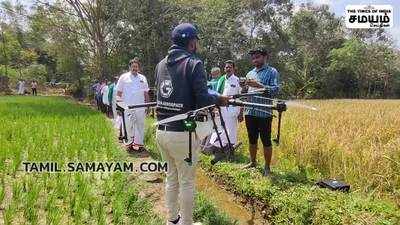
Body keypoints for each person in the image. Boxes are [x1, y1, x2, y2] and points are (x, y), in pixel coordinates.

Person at [155, 23, 229, 225]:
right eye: (196, 40)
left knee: (171, 177)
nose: (196, 44)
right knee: (186, 182)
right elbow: (203, 99)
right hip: (182, 135)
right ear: (191, 42)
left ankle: (172, 220)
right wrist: (218, 98)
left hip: (161, 131)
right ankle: (186, 223)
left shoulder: (161, 64)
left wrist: (210, 96)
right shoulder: (193, 63)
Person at [242, 47, 280, 176]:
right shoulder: (249, 73)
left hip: (264, 112)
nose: (255, 59)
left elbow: (275, 90)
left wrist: (259, 85)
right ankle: (252, 162)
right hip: (250, 111)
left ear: (265, 57)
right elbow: (246, 92)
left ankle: (267, 167)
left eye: (257, 57)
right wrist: (244, 88)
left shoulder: (272, 72)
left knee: (266, 140)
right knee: (252, 138)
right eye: (253, 57)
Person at [116, 58, 150, 151]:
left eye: (136, 66)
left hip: (140, 107)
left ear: (139, 68)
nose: (135, 68)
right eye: (133, 66)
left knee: (140, 125)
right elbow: (119, 93)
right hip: (127, 107)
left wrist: (148, 105)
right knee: (128, 125)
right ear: (129, 67)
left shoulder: (143, 78)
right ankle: (129, 145)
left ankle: (139, 145)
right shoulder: (123, 77)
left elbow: (146, 93)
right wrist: (119, 106)